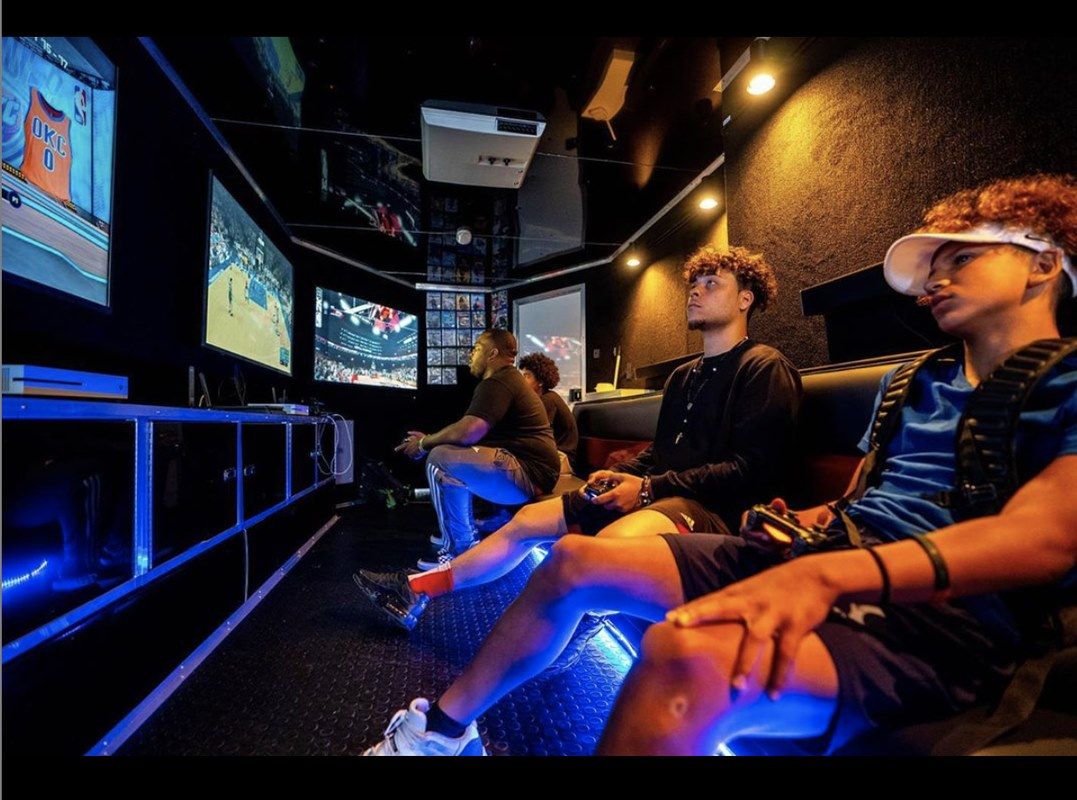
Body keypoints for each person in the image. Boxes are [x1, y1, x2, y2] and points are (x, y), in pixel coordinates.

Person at [361, 173, 1077, 757]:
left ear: (1043, 263)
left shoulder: (1065, 379)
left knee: (679, 653)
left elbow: (1045, 538)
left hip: (947, 618)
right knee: (570, 560)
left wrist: (820, 567)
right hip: (829, 551)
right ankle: (441, 730)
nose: (934, 280)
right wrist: (811, 525)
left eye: (961, 258)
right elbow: (867, 498)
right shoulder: (913, 382)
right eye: (933, 266)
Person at [354, 245, 801, 639]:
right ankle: (414, 592)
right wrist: (621, 475)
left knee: (586, 554)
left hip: (710, 513)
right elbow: (662, 453)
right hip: (661, 494)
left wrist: (648, 489)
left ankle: (571, 636)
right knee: (527, 522)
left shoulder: (764, 367)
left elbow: (752, 470)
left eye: (711, 283)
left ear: (746, 299)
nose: (695, 291)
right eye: (694, 283)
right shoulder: (684, 376)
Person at [395, 329, 561, 571]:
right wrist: (432, 438)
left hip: (528, 475)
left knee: (438, 457)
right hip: (532, 473)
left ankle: (458, 552)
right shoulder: (508, 380)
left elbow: (469, 431)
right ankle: (461, 535)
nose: (471, 354)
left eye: (477, 347)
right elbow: (469, 433)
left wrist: (424, 443)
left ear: (493, 353)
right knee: (445, 455)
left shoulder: (500, 380)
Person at [518, 351, 579, 473]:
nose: (522, 381)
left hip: (562, 460)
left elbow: (537, 435)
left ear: (540, 381)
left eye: (527, 376)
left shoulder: (549, 400)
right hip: (552, 457)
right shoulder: (542, 400)